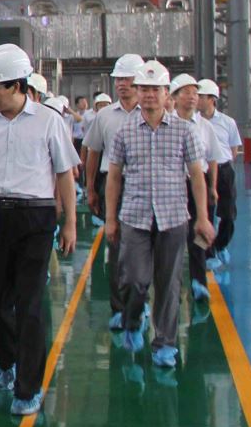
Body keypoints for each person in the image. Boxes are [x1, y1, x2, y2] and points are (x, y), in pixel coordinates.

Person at [0, 44, 77, 416]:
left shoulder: (49, 121)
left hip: (36, 219)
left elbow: (64, 174)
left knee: (30, 304)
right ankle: (7, 360)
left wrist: (70, 224)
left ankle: (28, 387)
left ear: (17, 85)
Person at [103, 61, 214, 369]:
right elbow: (114, 177)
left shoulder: (184, 131)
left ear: (167, 94)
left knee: (168, 284)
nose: (149, 95)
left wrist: (202, 217)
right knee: (134, 280)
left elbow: (197, 175)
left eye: (155, 89)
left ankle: (164, 344)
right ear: (137, 92)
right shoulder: (124, 132)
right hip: (134, 217)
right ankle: (133, 318)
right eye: (144, 89)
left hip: (173, 217)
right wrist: (111, 218)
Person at [83, 56, 145, 329]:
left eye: (126, 79)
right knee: (116, 244)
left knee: (143, 247)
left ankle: (140, 302)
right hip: (113, 185)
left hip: (144, 186)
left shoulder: (150, 113)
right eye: (118, 79)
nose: (121, 84)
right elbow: (94, 153)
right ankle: (119, 308)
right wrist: (90, 188)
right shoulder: (105, 116)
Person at [167, 74, 226, 303]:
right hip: (172, 185)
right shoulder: (165, 124)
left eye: (195, 93)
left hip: (197, 183)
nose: (192, 97)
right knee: (171, 235)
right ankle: (170, 285)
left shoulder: (204, 127)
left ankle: (198, 281)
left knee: (198, 234)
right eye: (186, 92)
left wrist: (212, 186)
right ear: (174, 97)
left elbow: (212, 159)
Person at [196, 80, 242, 267]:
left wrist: (222, 164)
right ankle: (206, 254)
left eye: (201, 97)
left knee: (228, 214)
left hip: (224, 171)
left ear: (212, 99)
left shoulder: (227, 122)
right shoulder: (194, 122)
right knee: (204, 213)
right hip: (203, 172)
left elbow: (234, 149)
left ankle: (220, 245)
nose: (197, 100)